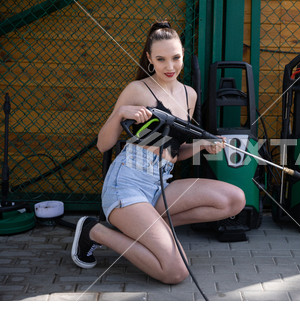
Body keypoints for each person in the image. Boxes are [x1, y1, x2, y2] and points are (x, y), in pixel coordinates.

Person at [71, 21, 246, 284]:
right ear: (150, 59)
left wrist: (202, 145)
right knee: (176, 271)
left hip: (160, 184)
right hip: (127, 184)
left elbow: (174, 150)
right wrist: (119, 114)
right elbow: (103, 145)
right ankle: (94, 231)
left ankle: (146, 225)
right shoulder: (137, 89)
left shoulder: (189, 94)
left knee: (234, 200)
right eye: (161, 59)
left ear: (183, 55)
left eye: (176, 58)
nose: (170, 67)